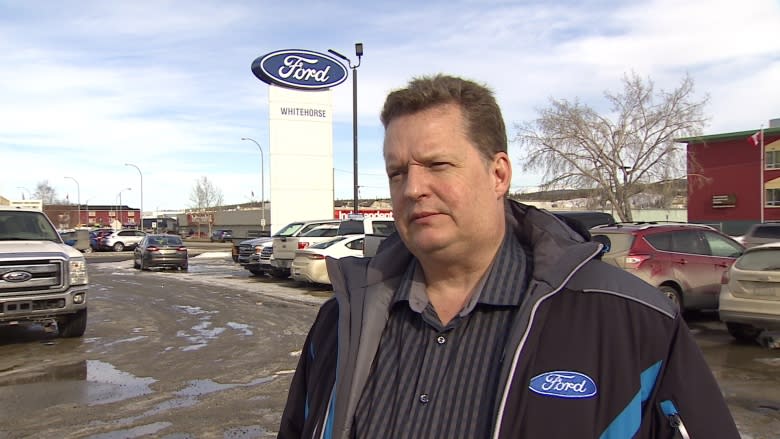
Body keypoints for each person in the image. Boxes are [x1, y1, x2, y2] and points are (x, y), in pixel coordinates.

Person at [278, 74, 740, 438]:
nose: (413, 188)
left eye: (437, 165)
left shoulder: (633, 322)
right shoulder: (341, 322)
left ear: (498, 174)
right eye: (397, 173)